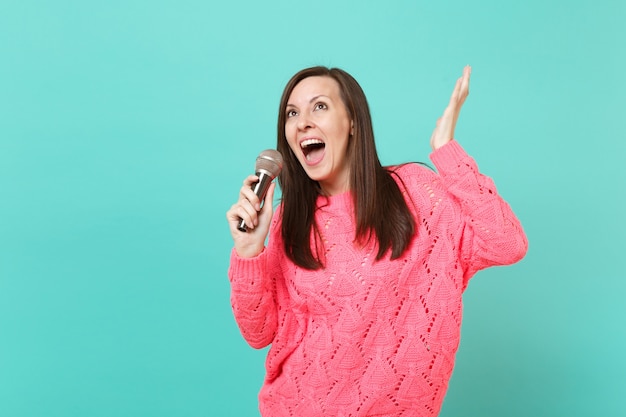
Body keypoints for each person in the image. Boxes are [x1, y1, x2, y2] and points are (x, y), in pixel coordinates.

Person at [226, 65, 528, 417]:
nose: (302, 122)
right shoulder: (286, 221)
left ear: (353, 122)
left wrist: (446, 150)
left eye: (319, 106)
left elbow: (506, 243)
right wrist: (249, 251)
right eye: (292, 113)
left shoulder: (415, 192)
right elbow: (258, 333)